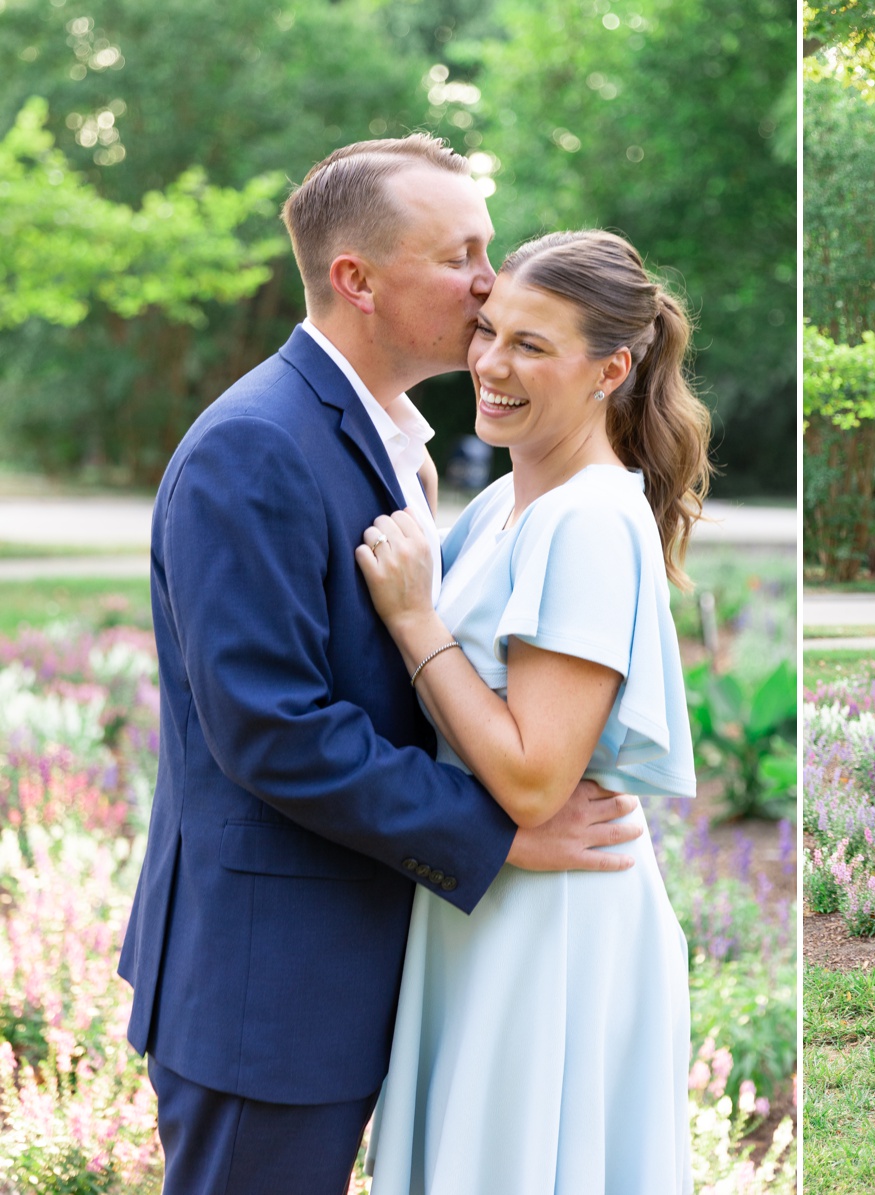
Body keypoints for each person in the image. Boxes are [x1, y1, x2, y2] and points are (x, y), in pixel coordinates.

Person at [117, 136, 644, 1194]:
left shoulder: (390, 439)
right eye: (461, 256)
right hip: (270, 988)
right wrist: (499, 831)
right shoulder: (257, 444)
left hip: (351, 965)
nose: (491, 282)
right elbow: (275, 727)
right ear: (356, 279)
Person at [357, 229, 708, 1193]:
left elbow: (531, 774)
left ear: (611, 370)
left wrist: (416, 618)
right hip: (486, 906)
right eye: (490, 331)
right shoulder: (510, 501)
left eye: (530, 346)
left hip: (548, 927)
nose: (490, 364)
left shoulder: (588, 521)